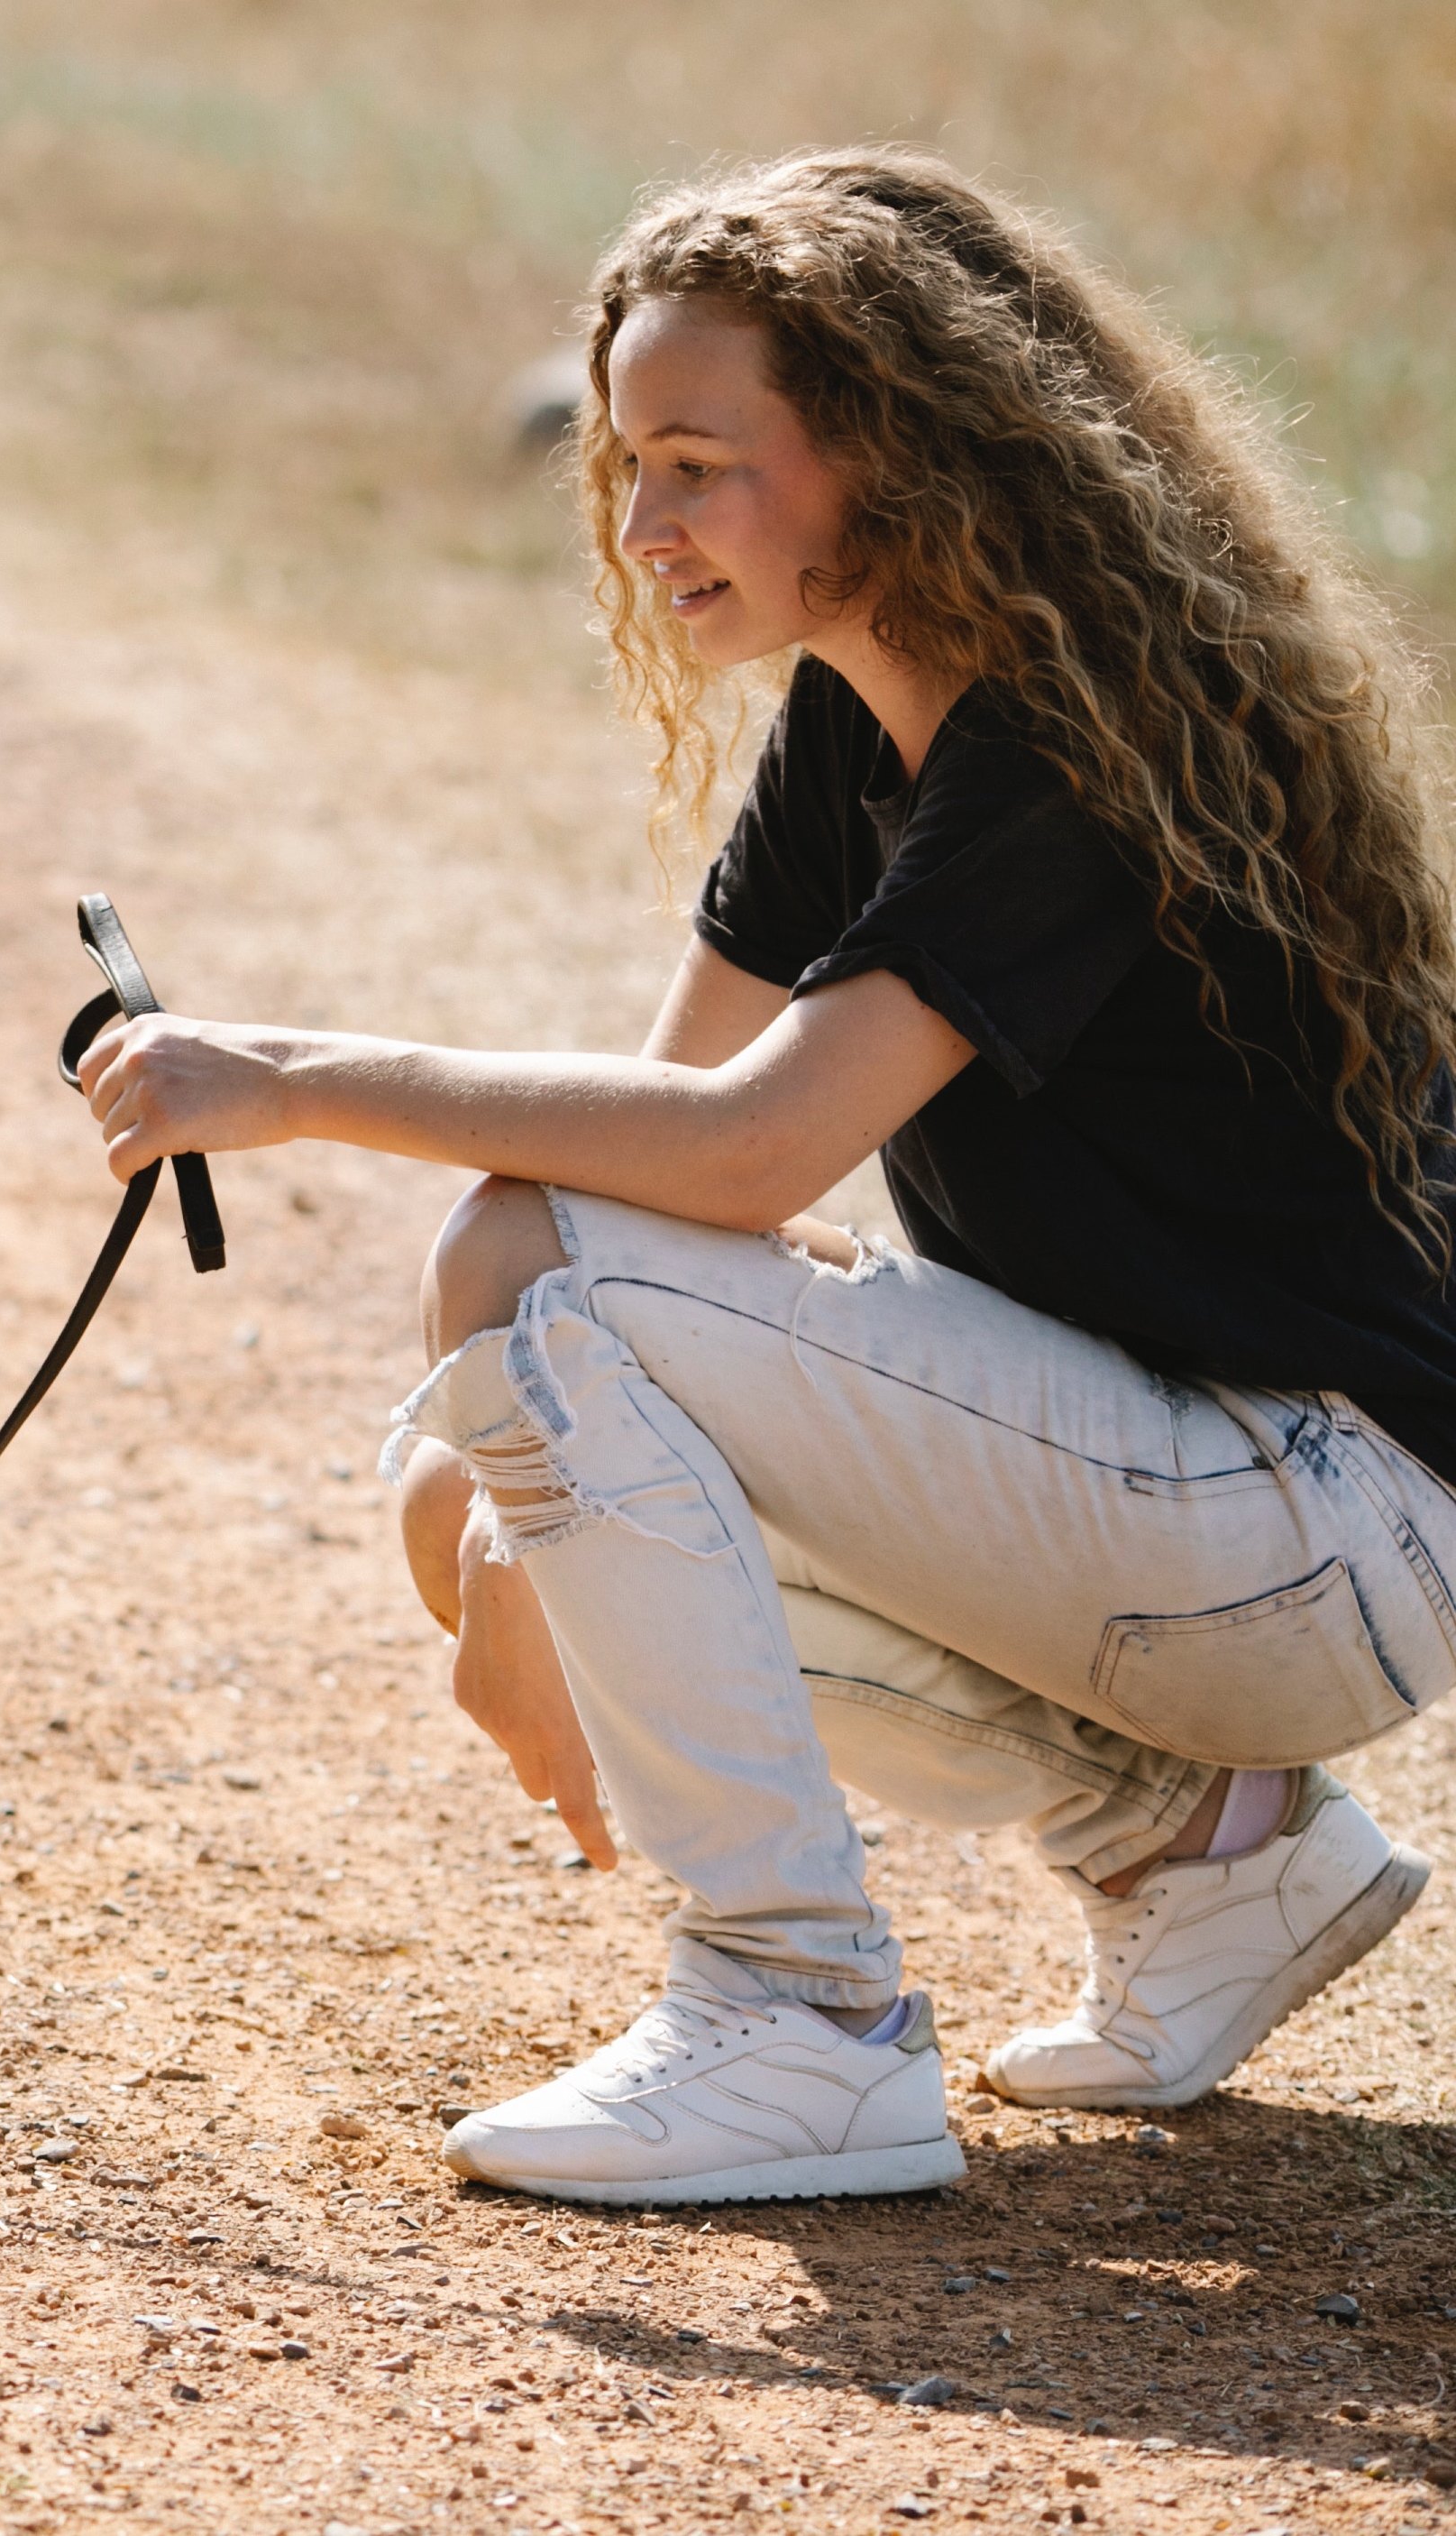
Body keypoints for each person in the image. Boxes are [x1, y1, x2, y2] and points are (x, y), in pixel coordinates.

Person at [79, 149, 1456, 2206]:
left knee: (525, 1278)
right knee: (478, 1440)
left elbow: (737, 1157)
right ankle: (1209, 1855)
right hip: (1206, 1507)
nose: (638, 526)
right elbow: (664, 1157)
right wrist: (502, 1531)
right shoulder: (853, 725)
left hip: (1328, 1519)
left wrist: (278, 1073)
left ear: (895, 459)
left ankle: (797, 2021)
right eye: (629, 465)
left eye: (697, 463)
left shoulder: (1068, 743)